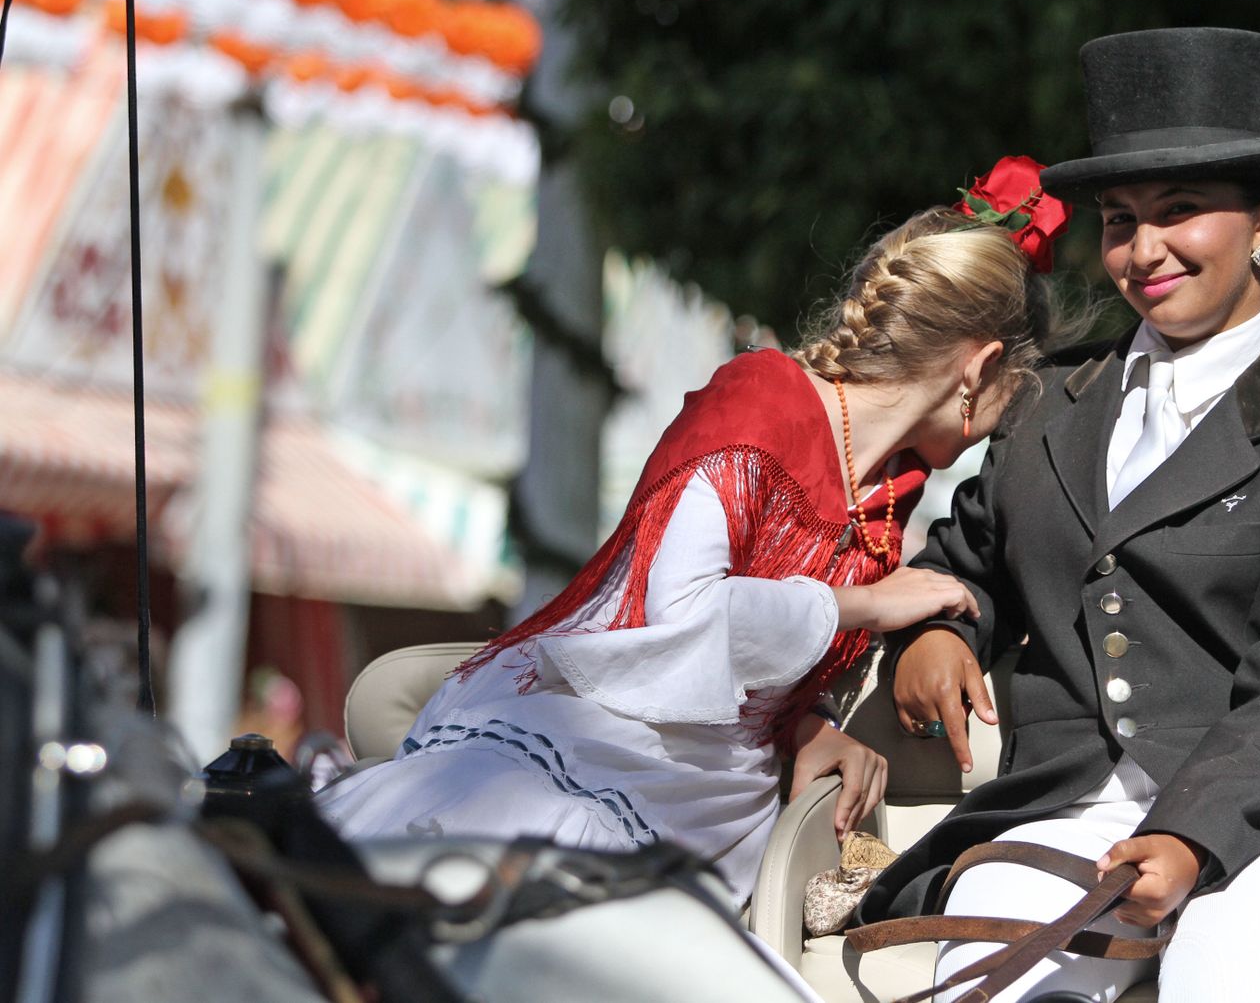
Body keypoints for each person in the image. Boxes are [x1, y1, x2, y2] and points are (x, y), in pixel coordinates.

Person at [855, 28, 1260, 1002]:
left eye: (1179, 212)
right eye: (1119, 220)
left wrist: (1191, 833)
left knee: (1229, 973)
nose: (1143, 252)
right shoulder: (1041, 403)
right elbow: (967, 559)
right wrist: (937, 629)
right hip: (1059, 812)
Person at [316, 158, 1073, 906]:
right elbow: (681, 614)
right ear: (980, 369)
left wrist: (805, 726)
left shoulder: (887, 491)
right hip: (604, 746)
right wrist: (867, 606)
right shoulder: (761, 399)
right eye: (1018, 391)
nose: (1007, 421)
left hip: (712, 804)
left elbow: (760, 660)